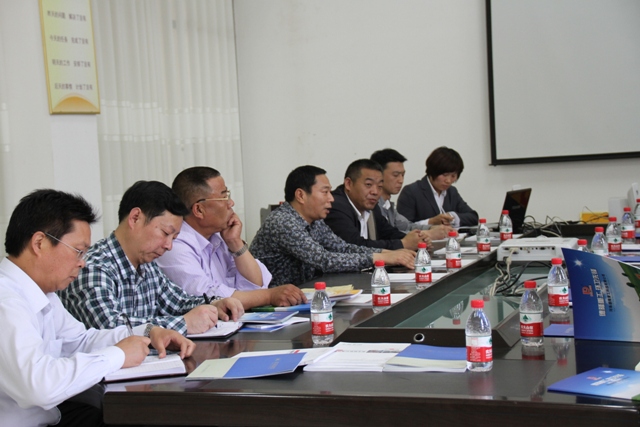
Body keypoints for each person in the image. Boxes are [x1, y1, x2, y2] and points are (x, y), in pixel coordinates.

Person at [0, 189, 194, 427]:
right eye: (78, 251)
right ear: (39, 243)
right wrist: (118, 355)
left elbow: (79, 340)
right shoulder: (6, 301)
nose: (82, 262)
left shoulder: (43, 293)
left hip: (54, 415)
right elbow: (39, 386)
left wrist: (147, 333)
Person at [59, 181, 244, 336]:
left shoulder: (147, 265)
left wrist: (214, 303)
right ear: (135, 218)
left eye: (174, 238)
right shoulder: (94, 268)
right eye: (165, 233)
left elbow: (177, 302)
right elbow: (111, 329)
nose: (169, 246)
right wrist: (184, 323)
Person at [157, 166, 307, 309]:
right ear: (199, 210)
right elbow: (207, 297)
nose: (231, 203)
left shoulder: (219, 237)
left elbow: (257, 284)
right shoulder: (174, 245)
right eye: (224, 197)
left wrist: (235, 243)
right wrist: (269, 296)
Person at [250, 165, 415, 287]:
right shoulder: (283, 221)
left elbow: (342, 248)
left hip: (302, 297)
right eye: (325, 192)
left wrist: (386, 253)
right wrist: (378, 258)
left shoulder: (315, 221)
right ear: (301, 195)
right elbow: (324, 260)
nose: (331, 198)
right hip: (273, 306)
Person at [324, 159, 427, 250]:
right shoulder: (335, 206)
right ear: (348, 184)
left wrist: (417, 239)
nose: (375, 192)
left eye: (380, 186)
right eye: (368, 185)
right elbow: (354, 245)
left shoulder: (371, 206)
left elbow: (388, 232)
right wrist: (402, 244)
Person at [370, 148, 452, 240]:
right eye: (396, 175)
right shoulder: (372, 206)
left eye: (403, 175)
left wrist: (433, 228)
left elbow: (408, 226)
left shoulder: (388, 205)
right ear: (378, 175)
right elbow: (388, 235)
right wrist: (427, 233)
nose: (401, 180)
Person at [397, 146, 478, 227]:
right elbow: (402, 227)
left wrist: (452, 217)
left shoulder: (452, 192)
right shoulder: (411, 192)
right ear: (433, 171)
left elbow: (473, 217)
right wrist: (431, 222)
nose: (448, 181)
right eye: (444, 175)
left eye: (453, 176)